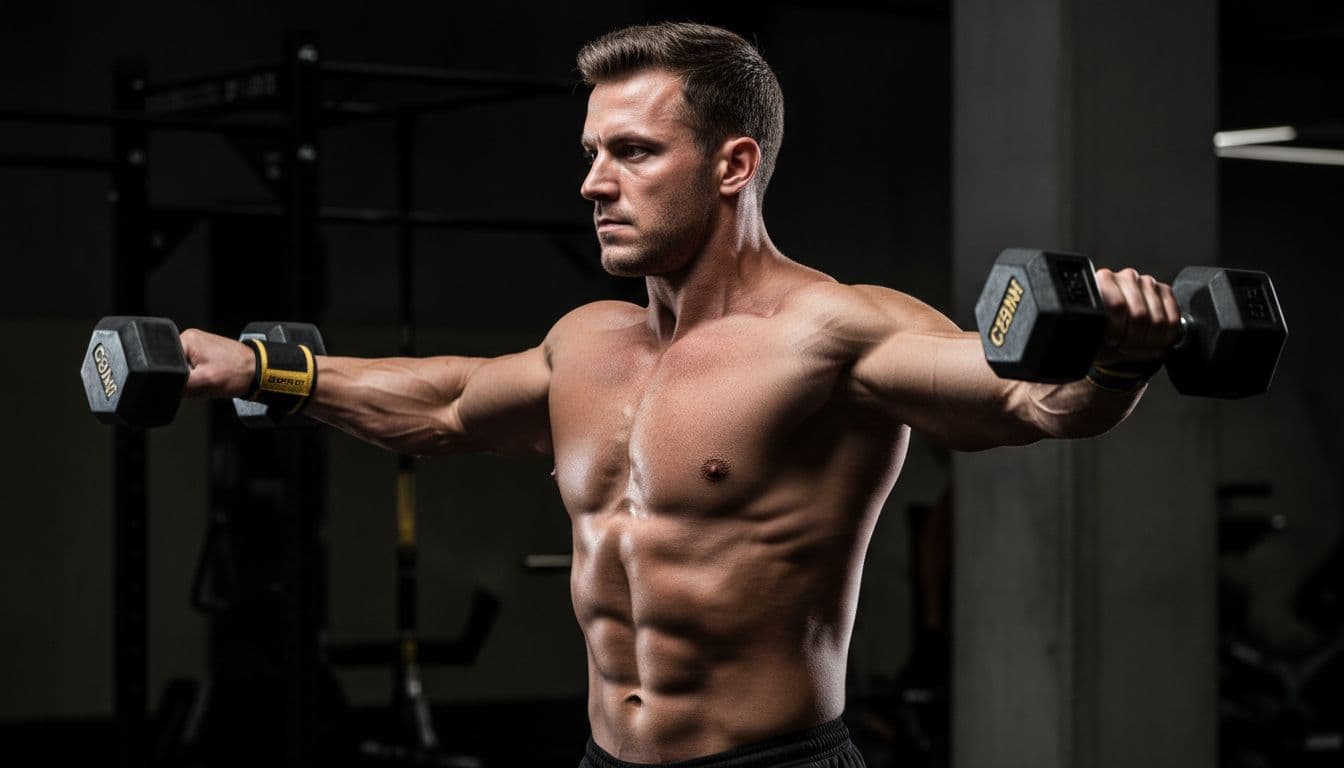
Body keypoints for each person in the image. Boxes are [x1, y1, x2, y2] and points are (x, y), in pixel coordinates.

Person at [180, 21, 1180, 768]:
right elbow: (448, 406)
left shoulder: (834, 333)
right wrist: (266, 371)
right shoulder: (587, 341)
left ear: (733, 163)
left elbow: (1030, 405)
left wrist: (1119, 358)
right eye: (590, 153)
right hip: (603, 756)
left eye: (634, 153)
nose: (592, 184)